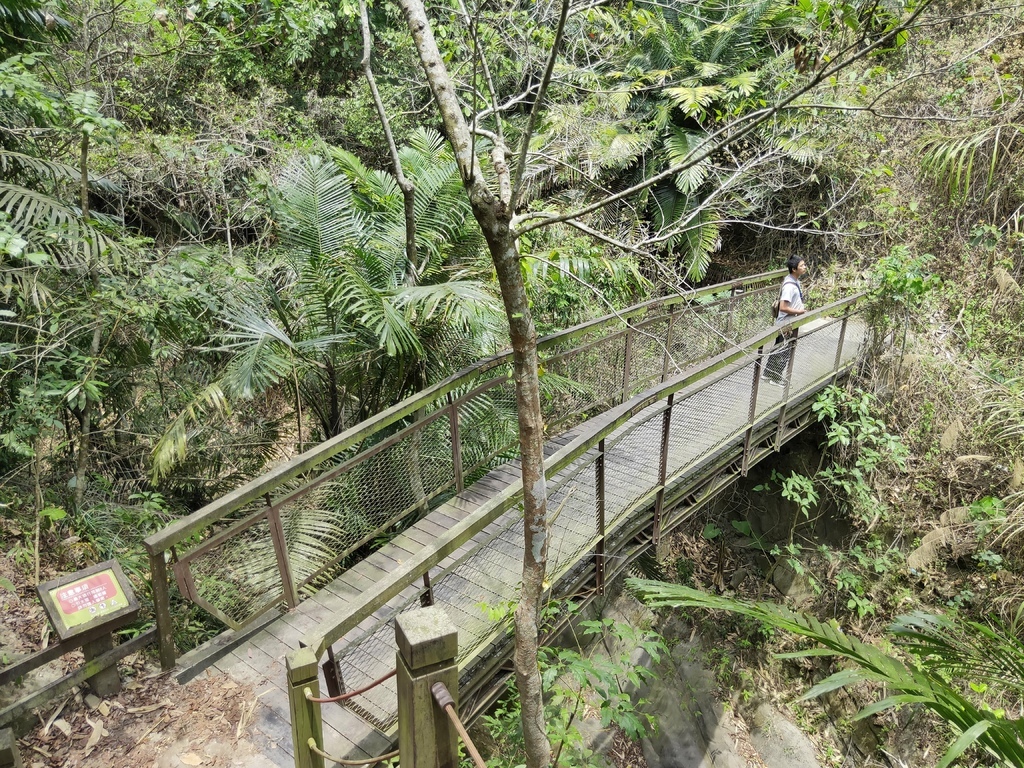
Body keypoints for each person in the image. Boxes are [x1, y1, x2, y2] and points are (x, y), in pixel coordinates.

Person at [764, 256, 808, 385]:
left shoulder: (793, 281)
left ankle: (767, 374)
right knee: (784, 352)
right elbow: (783, 307)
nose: (805, 267)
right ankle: (776, 378)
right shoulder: (790, 286)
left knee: (779, 348)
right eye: (802, 266)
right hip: (786, 323)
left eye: (804, 265)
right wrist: (799, 312)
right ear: (794, 269)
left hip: (788, 321)